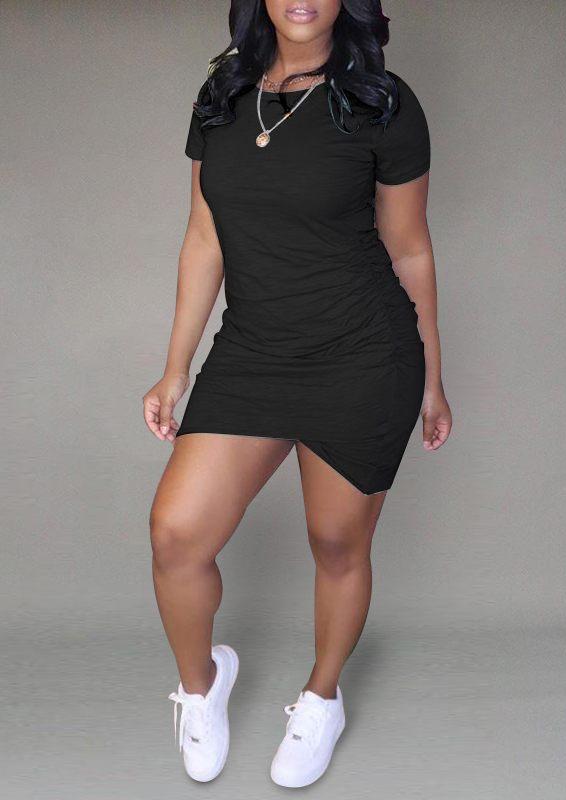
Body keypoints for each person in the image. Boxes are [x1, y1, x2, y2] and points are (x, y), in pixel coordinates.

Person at [143, 0, 452, 788]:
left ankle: (322, 698)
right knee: (177, 535)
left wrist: (432, 378)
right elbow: (203, 237)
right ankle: (201, 687)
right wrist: (176, 368)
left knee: (337, 543)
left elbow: (410, 249)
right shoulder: (221, 98)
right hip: (253, 353)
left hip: (364, 354)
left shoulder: (381, 102)